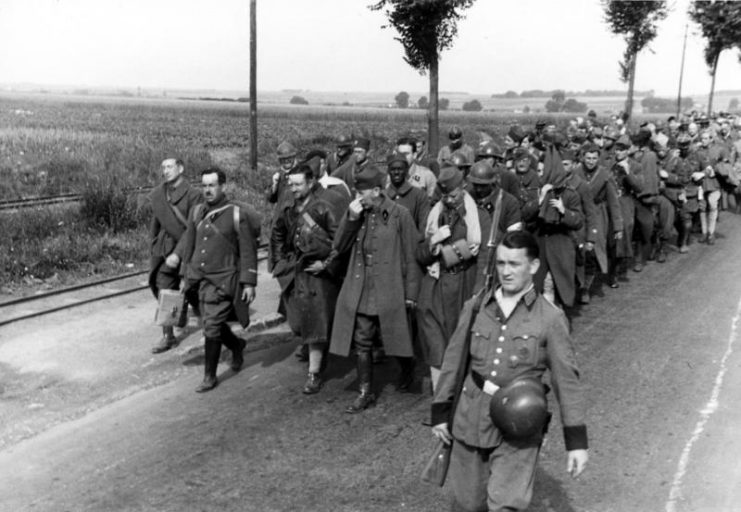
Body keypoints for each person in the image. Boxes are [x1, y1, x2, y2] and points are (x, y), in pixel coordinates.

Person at [431, 230, 588, 512]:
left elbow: (567, 382)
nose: (506, 271)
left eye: (514, 264)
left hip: (520, 426)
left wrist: (576, 442)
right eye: (501, 263)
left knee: (506, 504)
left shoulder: (550, 318)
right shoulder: (477, 306)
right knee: (467, 505)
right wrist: (441, 412)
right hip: (470, 418)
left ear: (534, 266)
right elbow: (454, 359)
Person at [327, 165, 421, 413]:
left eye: (362, 193)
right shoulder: (357, 215)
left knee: (396, 337)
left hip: (390, 287)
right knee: (362, 342)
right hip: (362, 285)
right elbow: (338, 247)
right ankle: (365, 392)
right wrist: (350, 220)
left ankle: (407, 368)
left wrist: (411, 294)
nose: (357, 198)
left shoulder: (399, 215)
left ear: (377, 191)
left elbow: (412, 256)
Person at [173, 168, 260, 392]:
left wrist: (249, 282)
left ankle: (209, 376)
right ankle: (237, 344)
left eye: (212, 185)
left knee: (210, 326)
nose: (208, 190)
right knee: (212, 322)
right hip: (198, 280)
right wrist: (184, 276)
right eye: (204, 186)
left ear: (223, 187)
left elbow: (248, 249)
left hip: (222, 281)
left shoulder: (235, 213)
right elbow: (190, 245)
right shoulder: (196, 212)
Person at [416, 166, 491, 392]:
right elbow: (419, 253)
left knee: (460, 342)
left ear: (463, 188)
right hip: (436, 286)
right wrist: (433, 244)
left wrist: (479, 292)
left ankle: (459, 394)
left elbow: (485, 257)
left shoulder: (479, 216)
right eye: (445, 195)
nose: (448, 200)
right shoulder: (434, 214)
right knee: (435, 342)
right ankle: (441, 398)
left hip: (464, 285)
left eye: (453, 195)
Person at [270, 163, 341, 395]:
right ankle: (320, 350)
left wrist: (327, 264)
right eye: (291, 184)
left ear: (311, 183)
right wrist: (281, 262)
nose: (294, 189)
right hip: (296, 274)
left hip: (317, 277)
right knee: (298, 322)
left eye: (299, 184)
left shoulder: (322, 209)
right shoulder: (289, 211)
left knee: (315, 322)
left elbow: (340, 242)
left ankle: (314, 373)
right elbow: (278, 234)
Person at [148, 158, 203, 354]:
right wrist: (154, 245)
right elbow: (155, 222)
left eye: (170, 167)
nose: (166, 171)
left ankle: (209, 325)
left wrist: (179, 254)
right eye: (163, 167)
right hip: (164, 249)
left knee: (193, 289)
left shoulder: (194, 195)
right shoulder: (159, 194)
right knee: (163, 286)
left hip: (188, 249)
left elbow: (193, 228)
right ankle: (168, 336)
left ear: (180, 168)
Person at [385, 153, 430, 232]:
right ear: (388, 171)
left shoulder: (419, 195)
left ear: (406, 170)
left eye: (400, 169)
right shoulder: (382, 197)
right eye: (393, 169)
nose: (396, 172)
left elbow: (423, 227)